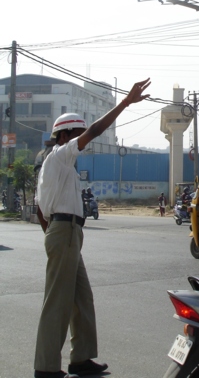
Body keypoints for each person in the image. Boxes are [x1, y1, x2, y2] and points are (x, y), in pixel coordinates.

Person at [34, 78, 151, 378]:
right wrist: (125, 103)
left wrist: (55, 233)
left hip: (68, 233)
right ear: (67, 135)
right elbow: (95, 131)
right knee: (58, 301)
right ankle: (46, 368)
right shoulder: (60, 155)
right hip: (65, 232)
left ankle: (81, 358)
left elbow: (38, 209)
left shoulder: (60, 166)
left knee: (81, 298)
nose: (82, 140)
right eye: (77, 133)